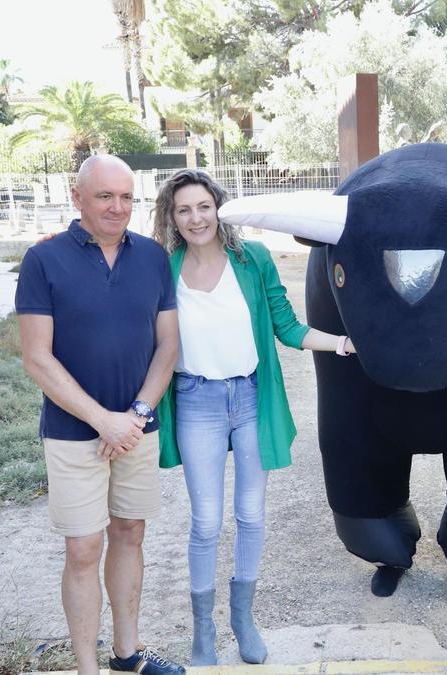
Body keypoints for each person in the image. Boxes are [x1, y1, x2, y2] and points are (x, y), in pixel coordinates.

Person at [150, 169, 356, 666]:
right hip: (195, 400)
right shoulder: (163, 266)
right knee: (205, 520)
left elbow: (286, 325)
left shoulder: (253, 259)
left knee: (251, 514)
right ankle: (204, 630)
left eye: (203, 206)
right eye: (184, 209)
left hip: (249, 400)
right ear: (172, 218)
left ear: (218, 207)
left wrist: (344, 343)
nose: (196, 217)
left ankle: (243, 619)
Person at [16, 155, 184, 675]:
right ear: (77, 197)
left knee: (130, 531)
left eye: (127, 197)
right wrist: (101, 420)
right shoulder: (44, 260)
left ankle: (127, 655)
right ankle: (87, 666)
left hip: (137, 428)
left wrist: (134, 415)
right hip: (73, 434)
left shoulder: (153, 257)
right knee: (85, 548)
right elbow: (36, 357)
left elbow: (169, 344)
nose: (118, 207)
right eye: (106, 196)